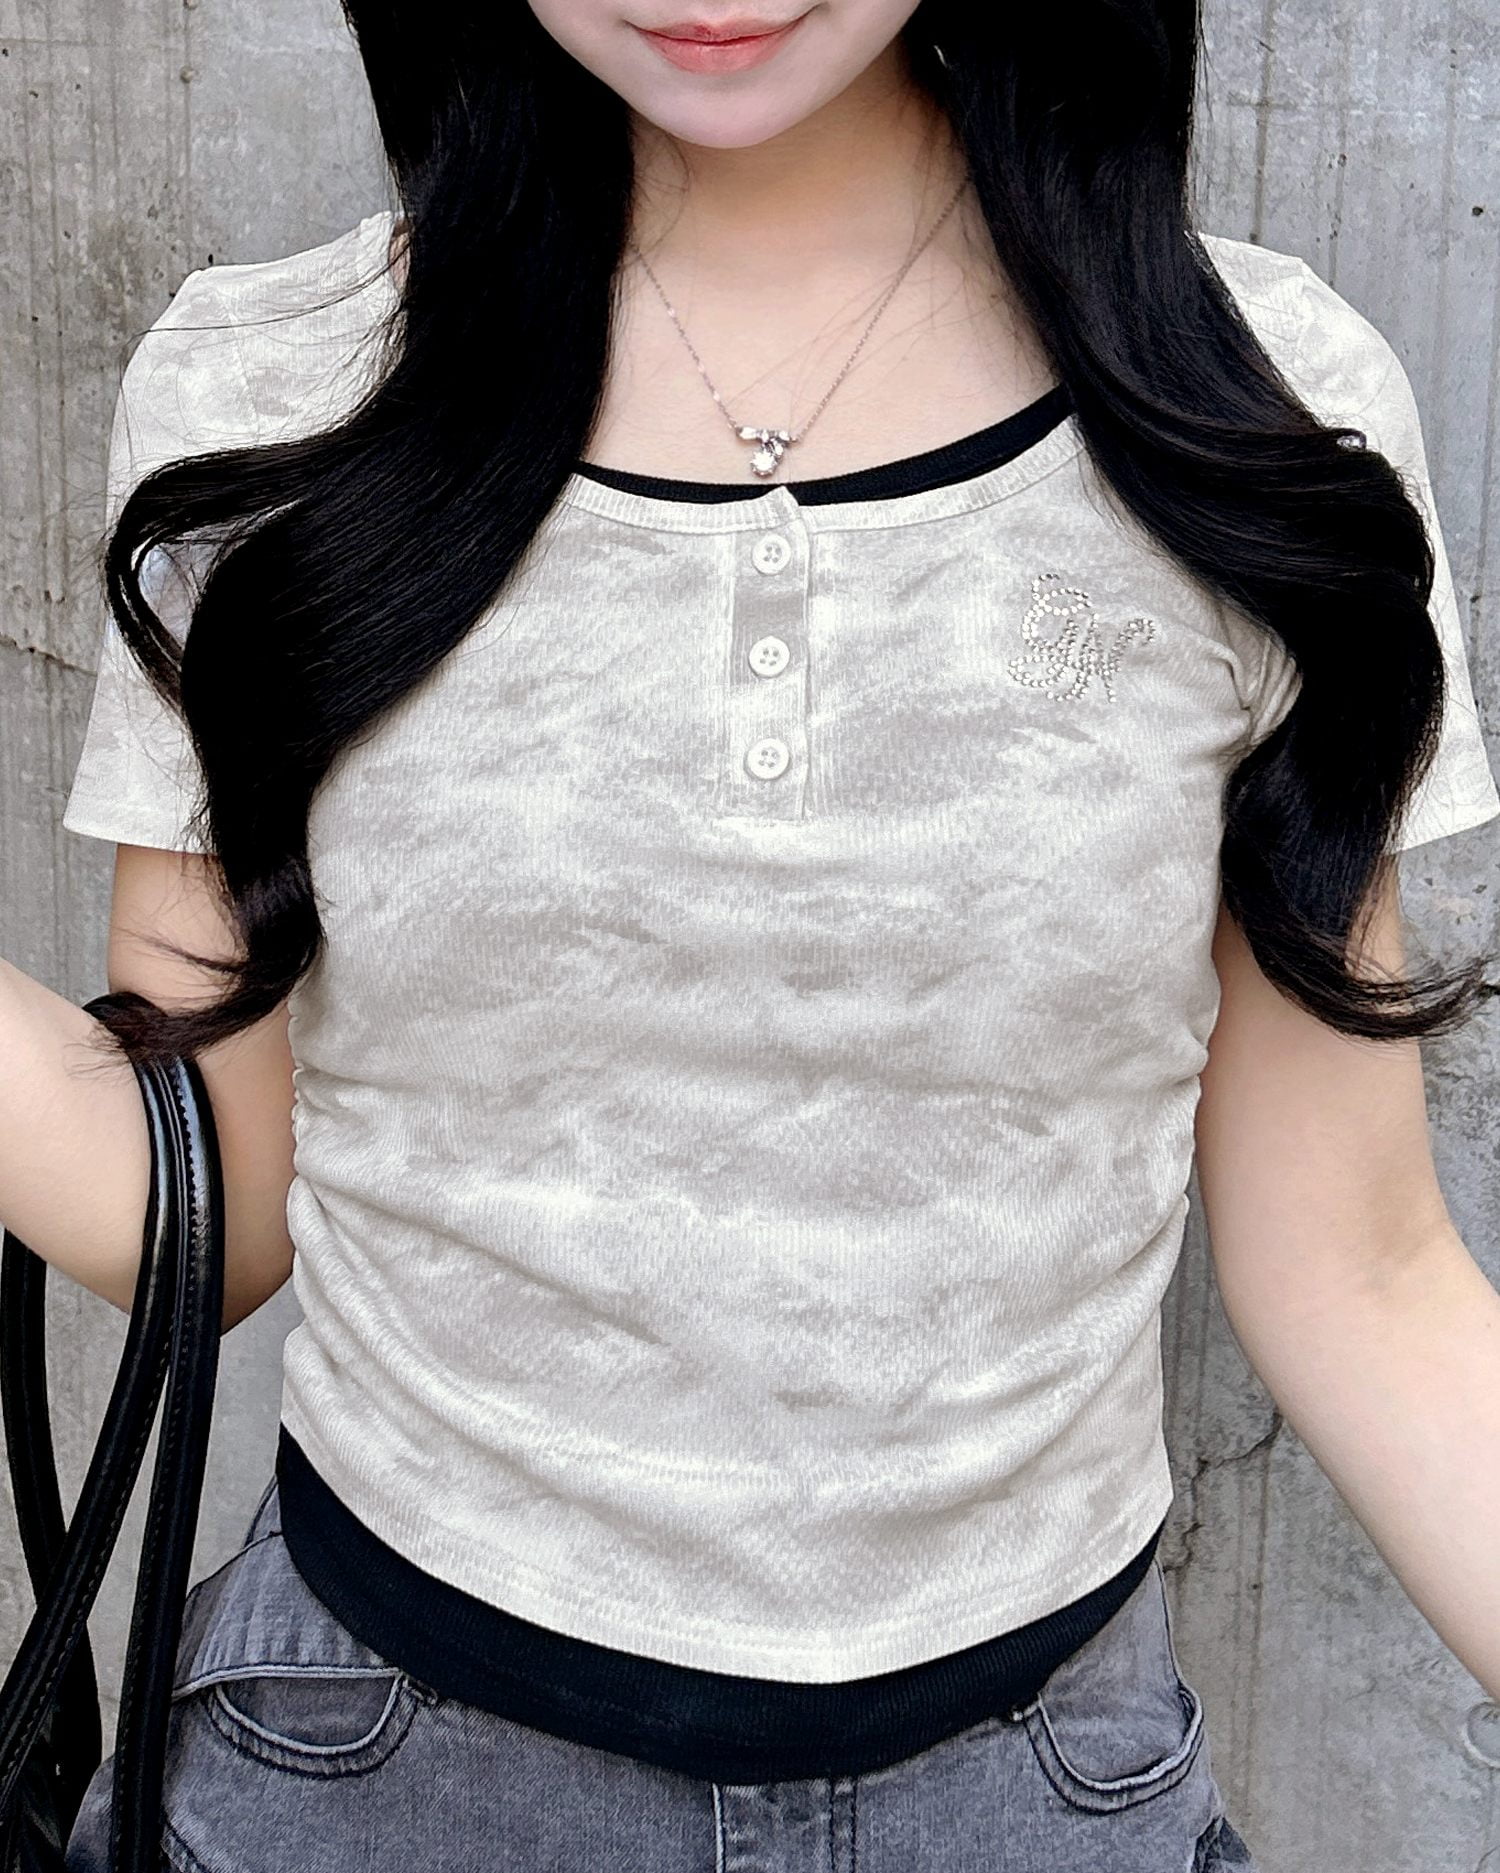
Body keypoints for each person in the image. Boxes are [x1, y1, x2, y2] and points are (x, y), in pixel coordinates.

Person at [5, 0, 1497, 1867]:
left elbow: (1361, 1270)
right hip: (373, 1775)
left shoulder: (1263, 409)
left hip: (1035, 1791)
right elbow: (206, 1197)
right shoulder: (271, 389)